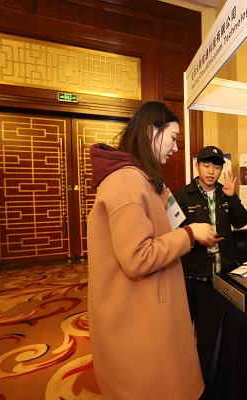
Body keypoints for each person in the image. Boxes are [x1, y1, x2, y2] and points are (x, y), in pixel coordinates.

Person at [87, 101, 220, 399]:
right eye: (173, 138)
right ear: (151, 132)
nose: (176, 148)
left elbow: (167, 223)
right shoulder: (126, 181)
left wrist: (188, 229)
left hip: (148, 303)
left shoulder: (142, 178)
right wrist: (190, 234)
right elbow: (138, 257)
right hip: (137, 313)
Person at [174, 145, 247, 321]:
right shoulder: (182, 195)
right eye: (206, 165)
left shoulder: (225, 193)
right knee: (188, 322)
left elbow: (241, 222)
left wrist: (232, 197)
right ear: (197, 166)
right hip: (193, 274)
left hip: (223, 273)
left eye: (216, 167)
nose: (211, 171)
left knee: (216, 322)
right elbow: (174, 233)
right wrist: (196, 240)